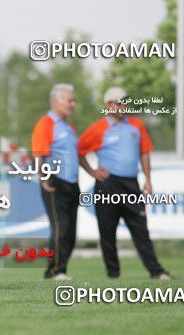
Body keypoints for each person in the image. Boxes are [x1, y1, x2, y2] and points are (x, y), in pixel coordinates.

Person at [78, 86, 170, 280]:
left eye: (125, 102)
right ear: (109, 105)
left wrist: (148, 179)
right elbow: (79, 150)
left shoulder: (137, 125)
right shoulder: (98, 129)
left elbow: (144, 152)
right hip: (107, 184)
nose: (124, 105)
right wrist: (92, 171)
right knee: (107, 230)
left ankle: (157, 271)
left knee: (140, 229)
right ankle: (113, 274)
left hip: (131, 184)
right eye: (120, 102)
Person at [31, 84, 80, 280]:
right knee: (60, 226)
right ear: (56, 101)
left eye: (73, 100)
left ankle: (62, 268)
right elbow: (38, 154)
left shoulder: (70, 127)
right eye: (70, 100)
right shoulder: (45, 124)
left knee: (71, 229)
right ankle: (54, 271)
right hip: (54, 180)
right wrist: (43, 178)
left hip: (72, 183)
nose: (73, 104)